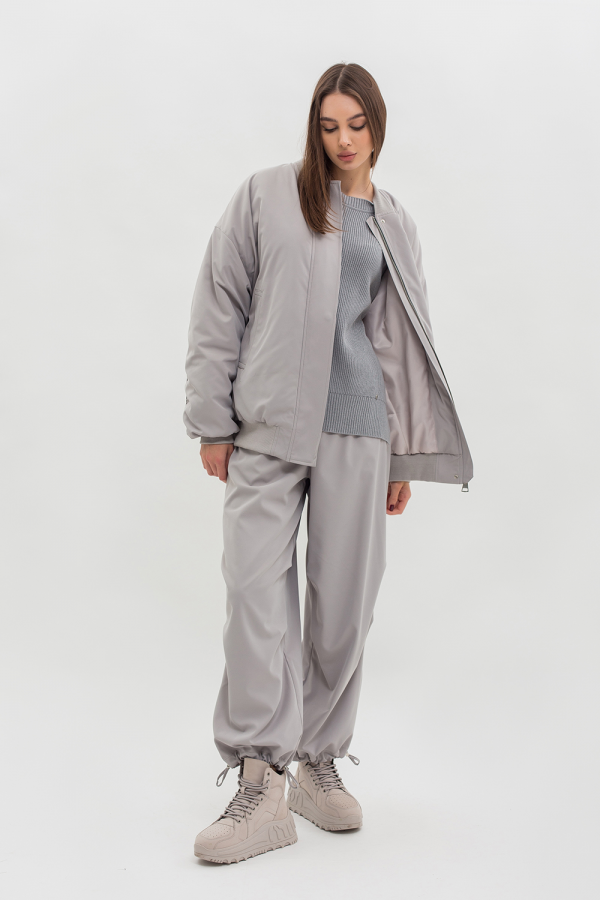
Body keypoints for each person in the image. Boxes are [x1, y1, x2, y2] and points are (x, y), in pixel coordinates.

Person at [183, 62, 473, 865]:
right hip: (267, 428)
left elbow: (401, 342)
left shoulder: (394, 222)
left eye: (357, 124)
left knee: (345, 608)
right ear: (314, 128)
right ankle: (259, 779)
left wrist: (402, 453)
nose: (343, 140)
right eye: (328, 125)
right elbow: (220, 300)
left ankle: (316, 762)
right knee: (254, 599)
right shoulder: (267, 195)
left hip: (359, 433)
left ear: (378, 125)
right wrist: (211, 419)